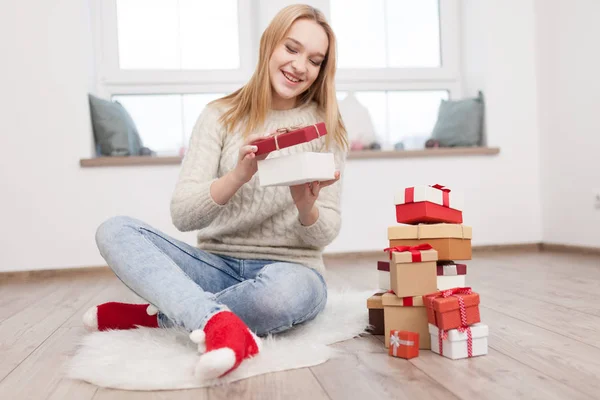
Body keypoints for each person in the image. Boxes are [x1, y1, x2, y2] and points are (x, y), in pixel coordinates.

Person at [84, 4, 348, 379]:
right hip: (216, 267)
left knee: (280, 298)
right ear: (269, 46)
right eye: (291, 48)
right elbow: (183, 215)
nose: (300, 66)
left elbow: (329, 230)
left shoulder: (328, 128)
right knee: (114, 230)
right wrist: (236, 176)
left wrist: (308, 208)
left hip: (293, 269)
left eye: (315, 60)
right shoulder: (218, 116)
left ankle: (163, 316)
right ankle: (214, 320)